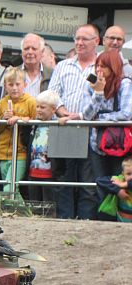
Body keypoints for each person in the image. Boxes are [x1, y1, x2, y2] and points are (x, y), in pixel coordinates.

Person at [48, 24, 100, 220]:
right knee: (64, 180)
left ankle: (85, 221)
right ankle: (64, 221)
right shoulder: (63, 65)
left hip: (91, 130)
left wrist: (79, 115)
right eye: (76, 38)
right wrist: (63, 112)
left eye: (84, 39)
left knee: (88, 182)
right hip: (64, 128)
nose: (79, 43)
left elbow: (101, 96)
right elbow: (52, 94)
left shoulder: (101, 66)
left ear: (96, 41)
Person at [82, 50, 132, 180]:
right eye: (97, 66)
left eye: (103, 66)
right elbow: (87, 116)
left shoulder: (124, 84)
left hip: (119, 143)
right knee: (100, 183)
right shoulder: (90, 85)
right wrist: (98, 93)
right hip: (96, 143)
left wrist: (100, 119)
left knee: (118, 181)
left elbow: (126, 114)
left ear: (113, 67)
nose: (99, 70)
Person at [0, 67, 36, 195]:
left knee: (9, 188)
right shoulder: (2, 103)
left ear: (25, 84)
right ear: (5, 86)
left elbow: (37, 123)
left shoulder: (31, 102)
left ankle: (21, 213)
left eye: (18, 84)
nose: (14, 88)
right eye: (10, 85)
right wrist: (3, 118)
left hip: (20, 152)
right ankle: (23, 213)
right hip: (2, 151)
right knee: (11, 189)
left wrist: (21, 119)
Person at [25, 90, 60, 202]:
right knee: (34, 203)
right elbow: (24, 140)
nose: (39, 110)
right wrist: (25, 125)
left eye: (43, 107)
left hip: (49, 174)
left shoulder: (57, 125)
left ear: (53, 109)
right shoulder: (34, 124)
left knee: (48, 204)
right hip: (33, 171)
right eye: (37, 106)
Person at [96, 157, 132, 222]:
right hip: (121, 222)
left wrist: (125, 184)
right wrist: (118, 191)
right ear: (123, 174)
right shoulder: (120, 179)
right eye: (128, 174)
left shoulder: (122, 183)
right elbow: (99, 180)